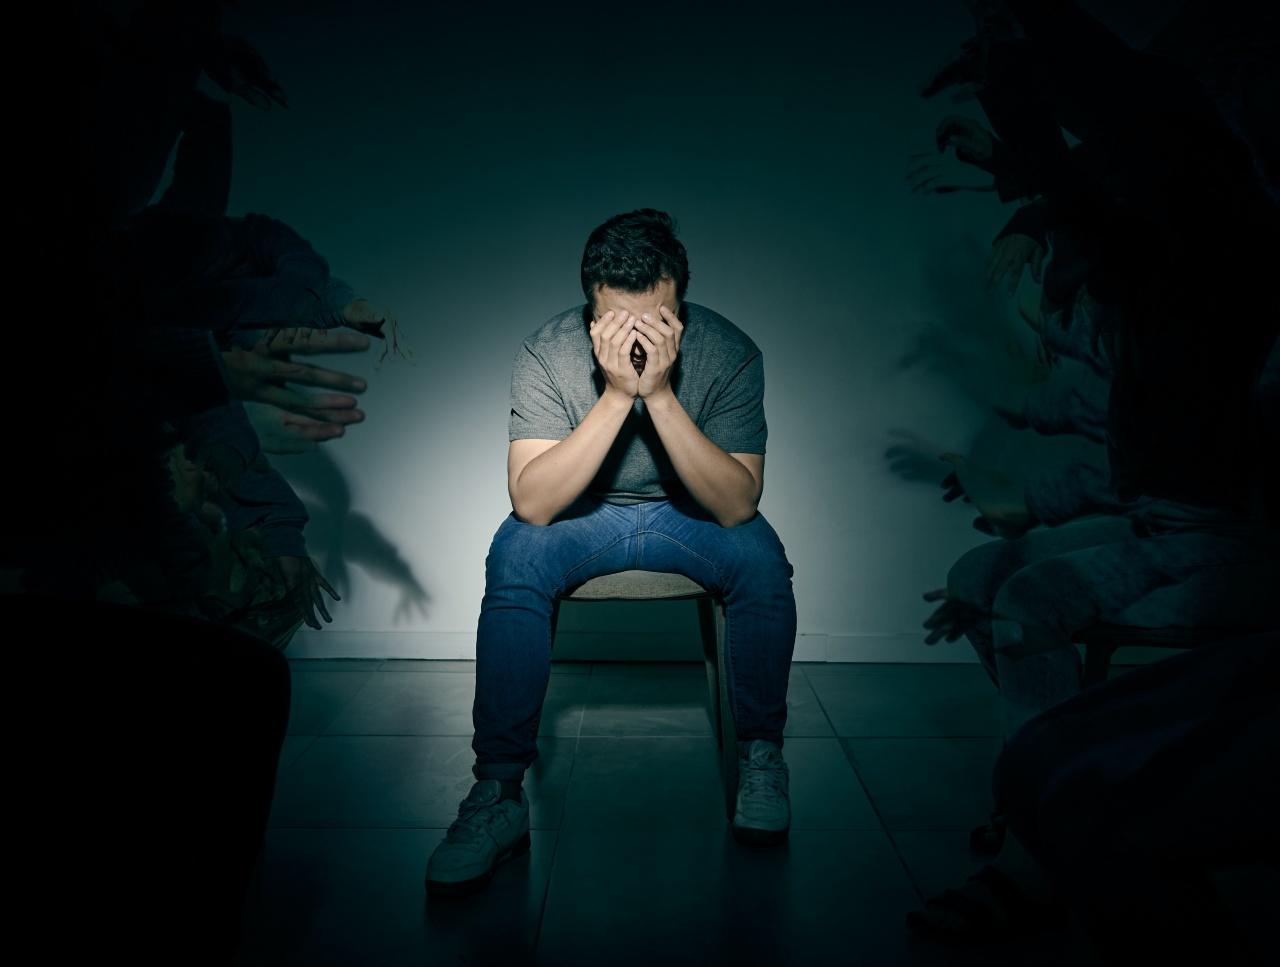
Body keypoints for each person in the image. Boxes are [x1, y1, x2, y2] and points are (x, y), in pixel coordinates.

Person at [424, 209, 798, 896]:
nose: (636, 340)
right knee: (516, 553)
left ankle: (760, 758)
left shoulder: (730, 352)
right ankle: (498, 793)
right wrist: (618, 394)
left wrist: (659, 394)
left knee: (760, 556)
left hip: (690, 515)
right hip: (585, 515)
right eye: (615, 324)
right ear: (589, 309)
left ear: (680, 304)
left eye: (656, 322)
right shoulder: (547, 351)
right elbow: (534, 502)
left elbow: (736, 504)